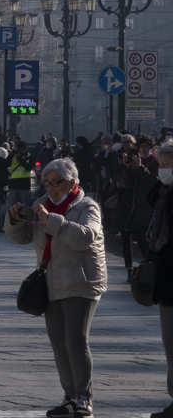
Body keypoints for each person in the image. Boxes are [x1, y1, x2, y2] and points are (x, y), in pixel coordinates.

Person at [5, 159, 106, 418]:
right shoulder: (42, 205)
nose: (50, 188)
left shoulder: (87, 206)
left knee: (75, 339)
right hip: (51, 282)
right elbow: (23, 237)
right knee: (59, 343)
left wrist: (52, 220)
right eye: (47, 183)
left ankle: (84, 398)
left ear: (71, 182)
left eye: (56, 183)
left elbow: (84, 238)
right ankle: (70, 396)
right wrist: (15, 220)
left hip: (81, 282)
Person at [145, 141, 173, 418]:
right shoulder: (162, 194)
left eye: (166, 165)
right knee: (170, 341)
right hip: (167, 281)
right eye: (160, 165)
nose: (161, 171)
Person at [114, 146, 158, 283]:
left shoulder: (152, 165)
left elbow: (153, 183)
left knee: (143, 242)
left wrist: (139, 167)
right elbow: (126, 185)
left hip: (141, 211)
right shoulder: (126, 168)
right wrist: (127, 168)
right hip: (127, 210)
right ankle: (130, 270)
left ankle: (148, 270)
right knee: (126, 241)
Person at [6, 141, 35, 210]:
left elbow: (28, 167)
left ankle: (26, 220)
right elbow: (5, 164)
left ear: (25, 149)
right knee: (11, 205)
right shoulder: (13, 156)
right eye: (18, 150)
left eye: (21, 150)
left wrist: (19, 158)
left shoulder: (29, 157)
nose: (20, 152)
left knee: (26, 205)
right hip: (14, 184)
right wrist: (11, 155)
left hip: (24, 184)